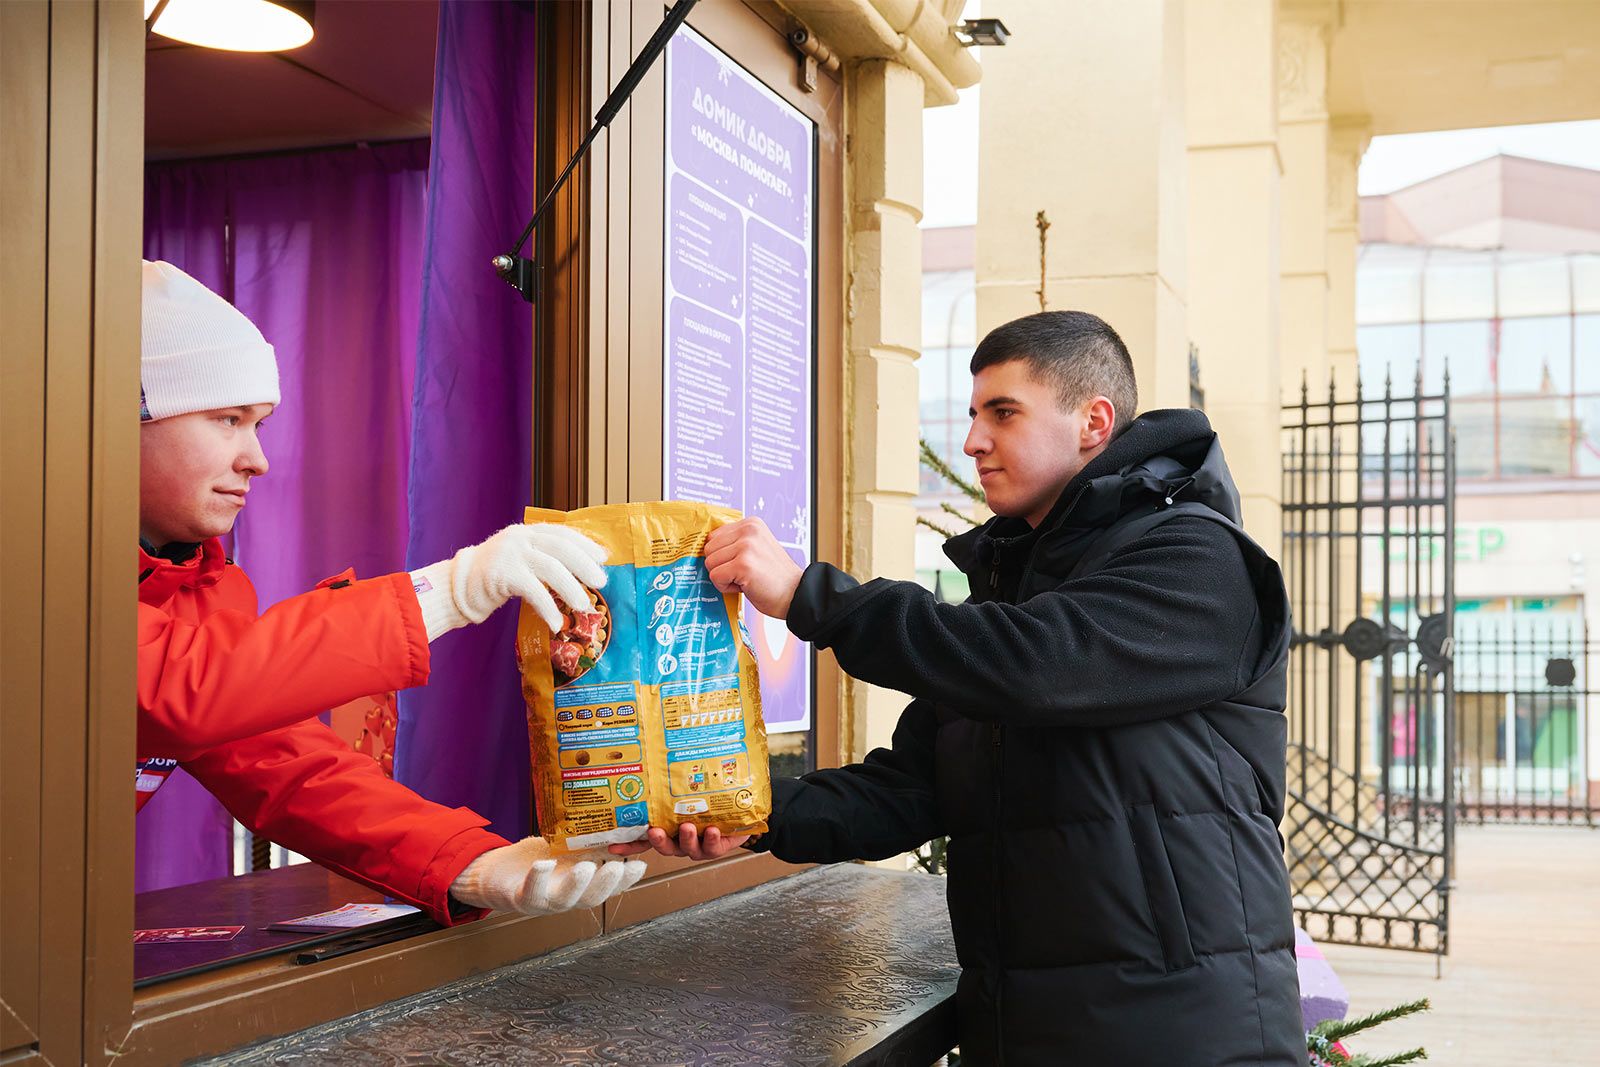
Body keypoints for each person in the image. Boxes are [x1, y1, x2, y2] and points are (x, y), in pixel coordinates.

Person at [616, 311, 1303, 1064]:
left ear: (1093, 421)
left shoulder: (1198, 559)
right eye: (973, 415)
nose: (974, 441)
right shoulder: (1003, 610)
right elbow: (910, 790)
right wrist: (747, 808)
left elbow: (1037, 666)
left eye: (1003, 413)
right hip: (1023, 1032)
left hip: (1182, 1035)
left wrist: (814, 597)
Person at [137, 260, 644, 924]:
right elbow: (185, 689)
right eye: (227, 418)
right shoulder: (40, 569)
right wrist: (454, 589)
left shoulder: (200, 588)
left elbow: (288, 768)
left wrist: (469, 862)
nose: (256, 458)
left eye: (257, 424)